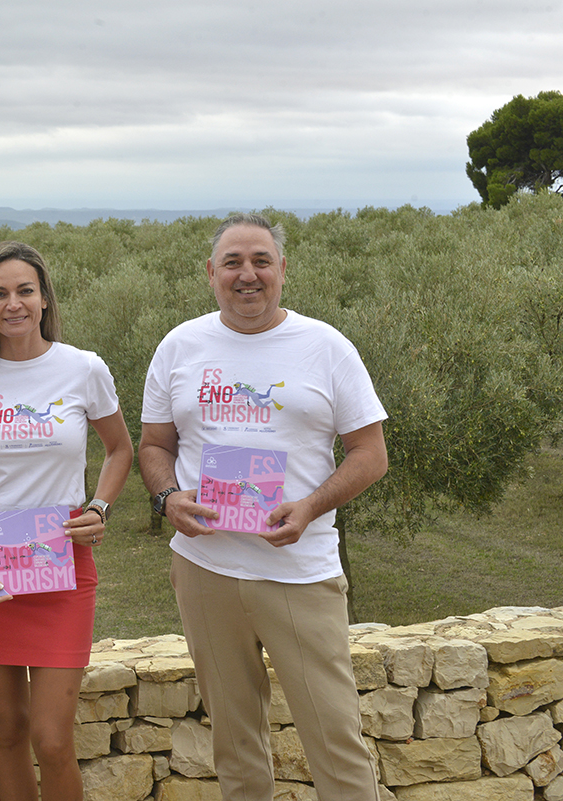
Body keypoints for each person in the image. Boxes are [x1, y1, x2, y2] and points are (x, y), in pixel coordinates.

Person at [139, 213, 389, 801]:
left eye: (260, 261)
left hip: (299, 574)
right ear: (211, 272)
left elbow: (371, 454)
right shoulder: (179, 346)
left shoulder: (326, 347)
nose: (246, 274)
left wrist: (310, 507)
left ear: (282, 269)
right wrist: (168, 498)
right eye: (232, 262)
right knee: (234, 744)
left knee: (335, 741)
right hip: (205, 571)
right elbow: (154, 445)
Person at [0, 241, 133, 801]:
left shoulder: (83, 368)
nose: (12, 304)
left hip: (61, 560)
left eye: (24, 291)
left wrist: (99, 507)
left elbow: (120, 449)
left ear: (44, 299)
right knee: (8, 728)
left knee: (52, 738)